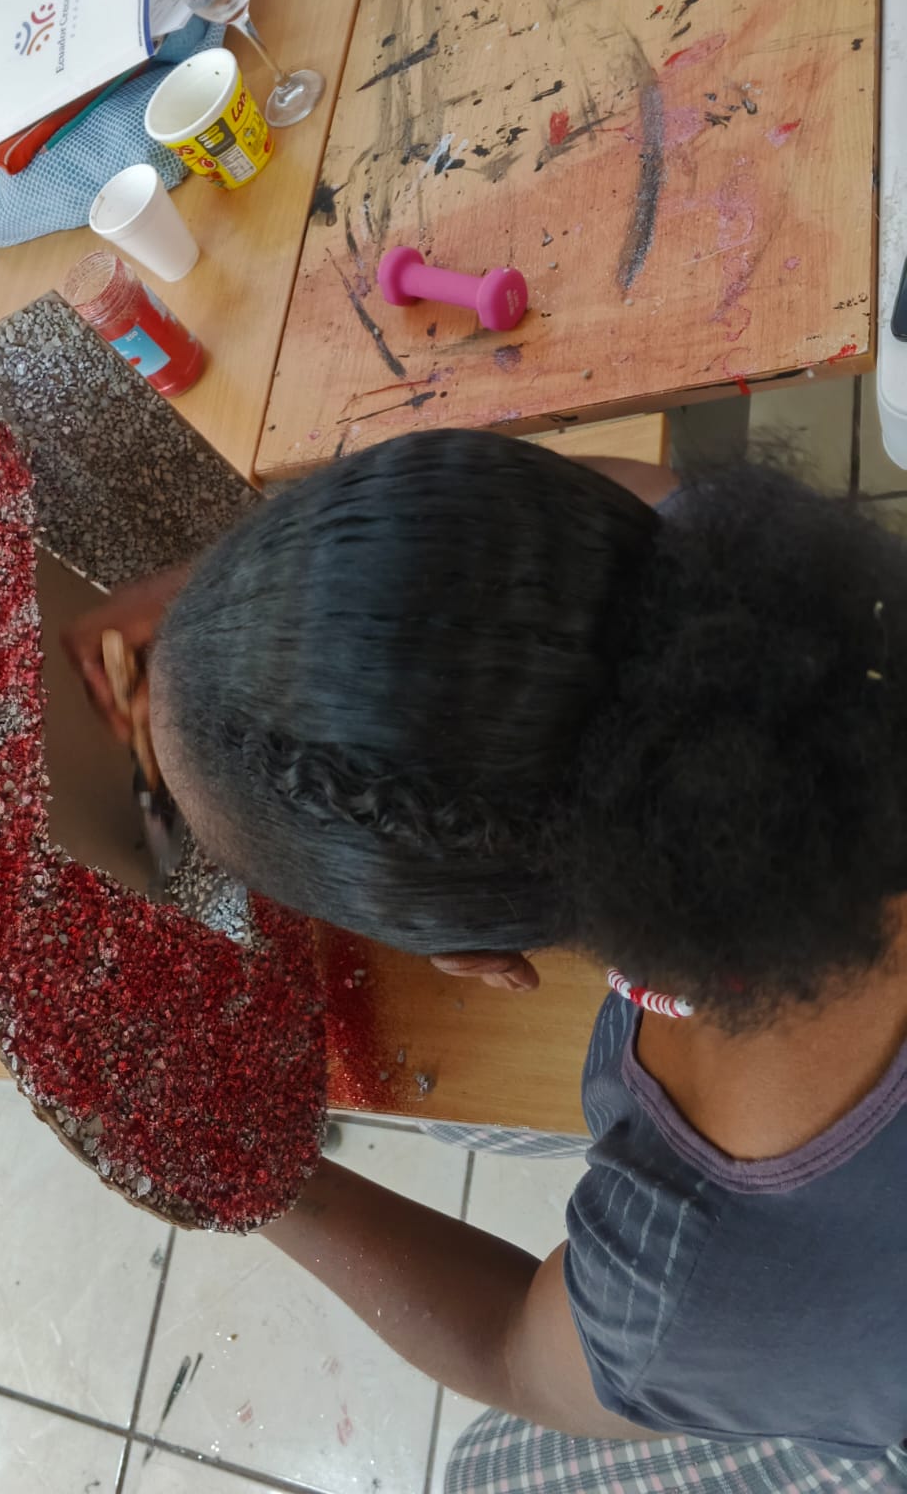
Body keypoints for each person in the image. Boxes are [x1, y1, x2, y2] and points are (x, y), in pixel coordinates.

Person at [64, 430, 907, 1494]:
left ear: (469, 955)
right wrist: (269, 599)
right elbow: (559, 539)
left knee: (488, 1474)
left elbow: (512, 1346)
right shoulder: (743, 596)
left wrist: (262, 1173)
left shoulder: (688, 1276)